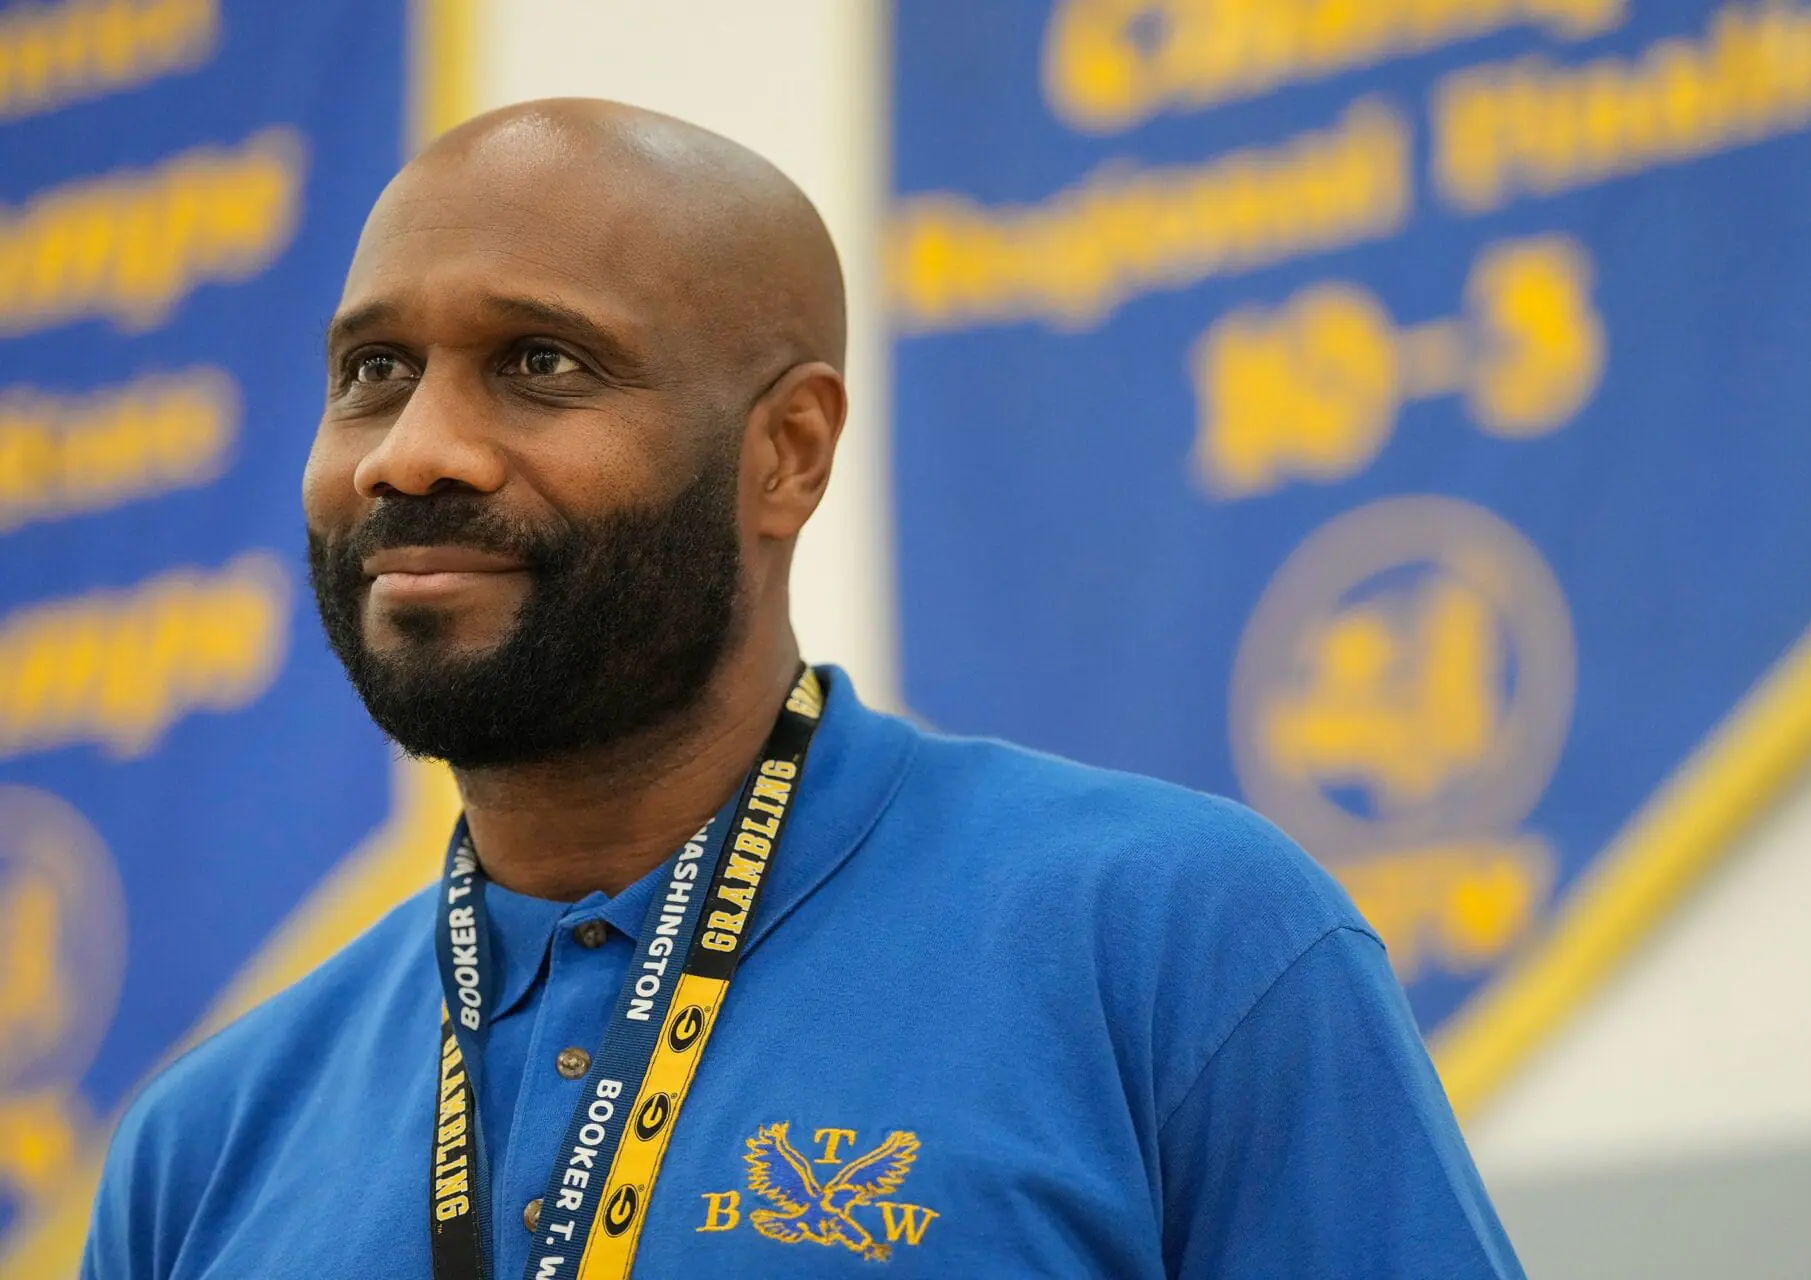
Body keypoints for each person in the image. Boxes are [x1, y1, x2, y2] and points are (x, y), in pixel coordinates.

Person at [81, 99, 1525, 1279]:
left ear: (788, 454)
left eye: (540, 362)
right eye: (374, 370)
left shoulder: (1171, 941)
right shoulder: (203, 1151)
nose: (415, 451)